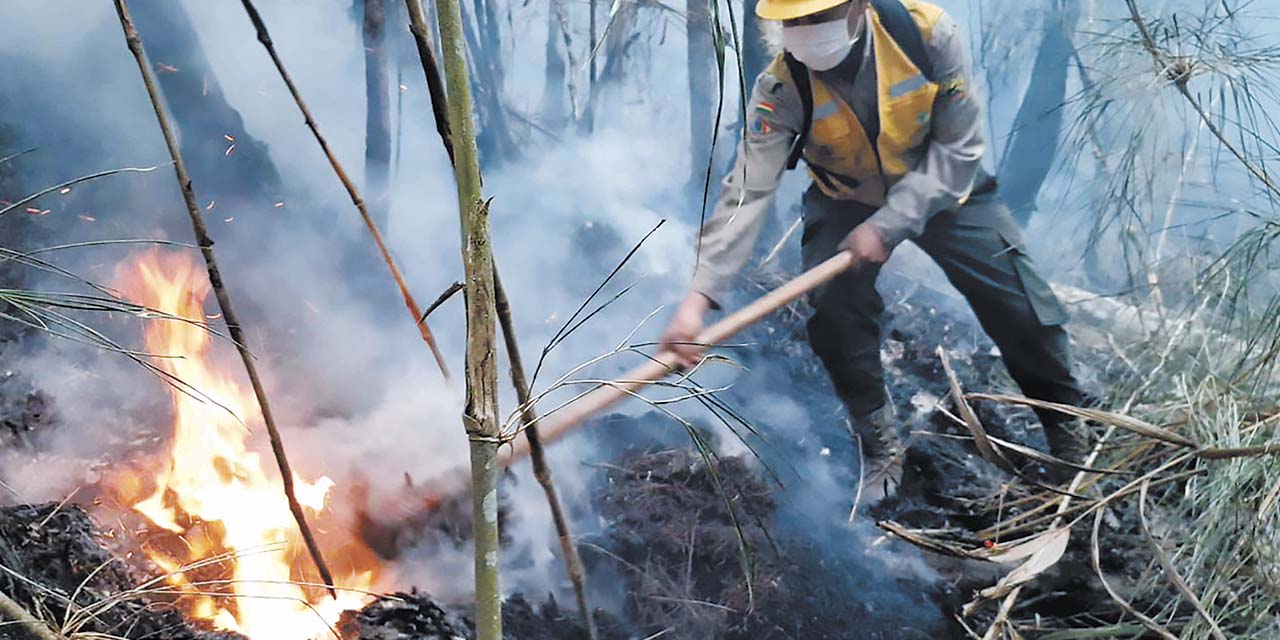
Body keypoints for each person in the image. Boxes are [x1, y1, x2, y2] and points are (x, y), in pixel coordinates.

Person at [659, 0, 1087, 500]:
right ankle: (879, 440)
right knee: (834, 313)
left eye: (817, 17)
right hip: (846, 198)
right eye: (792, 21)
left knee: (1019, 302)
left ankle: (1068, 432)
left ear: (859, 5)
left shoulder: (927, 36)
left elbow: (960, 149)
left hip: (942, 187)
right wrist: (696, 302)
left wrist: (887, 226)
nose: (803, 32)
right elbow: (747, 190)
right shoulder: (781, 88)